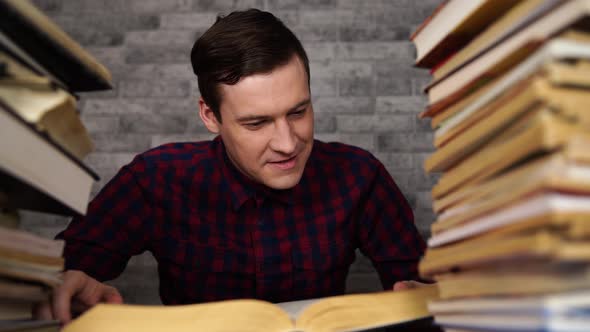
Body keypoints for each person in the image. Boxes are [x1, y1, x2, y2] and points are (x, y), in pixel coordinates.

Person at [36, 8, 427, 324]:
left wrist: (425, 293)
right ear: (210, 116)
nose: (288, 143)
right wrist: (65, 283)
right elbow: (59, 274)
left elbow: (420, 279)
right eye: (256, 123)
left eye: (299, 112)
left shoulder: (359, 175)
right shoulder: (157, 179)